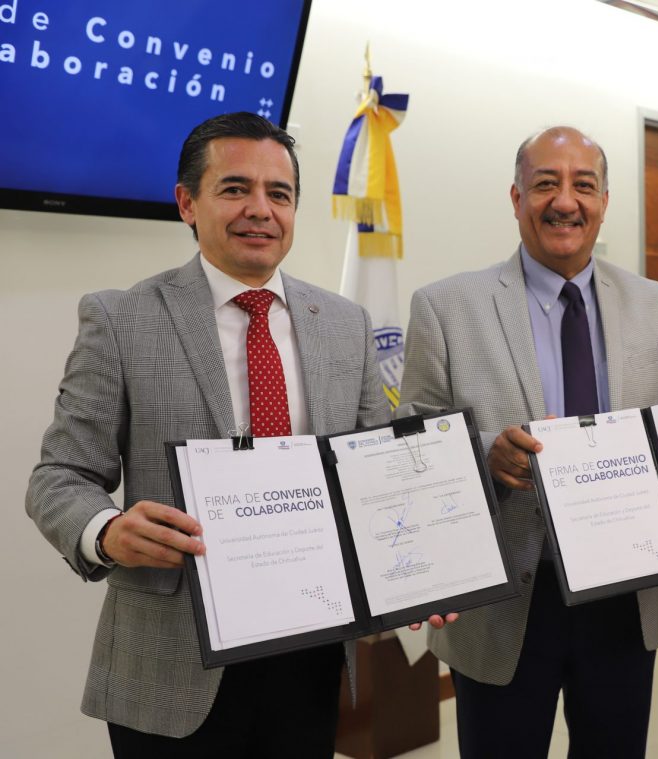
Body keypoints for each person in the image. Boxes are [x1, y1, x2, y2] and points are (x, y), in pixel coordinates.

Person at [25, 112, 396, 756]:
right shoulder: (120, 318)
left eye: (279, 194)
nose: (260, 210)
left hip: (309, 652)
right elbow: (60, 476)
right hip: (169, 666)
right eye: (234, 189)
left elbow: (375, 473)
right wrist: (106, 532)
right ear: (187, 203)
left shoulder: (345, 323)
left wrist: (421, 572)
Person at [400, 126, 658, 757]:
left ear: (605, 201)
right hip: (505, 599)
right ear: (516, 197)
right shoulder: (446, 307)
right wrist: (486, 455)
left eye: (584, 185)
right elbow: (411, 447)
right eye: (546, 184)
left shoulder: (653, 303)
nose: (565, 201)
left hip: (626, 593)